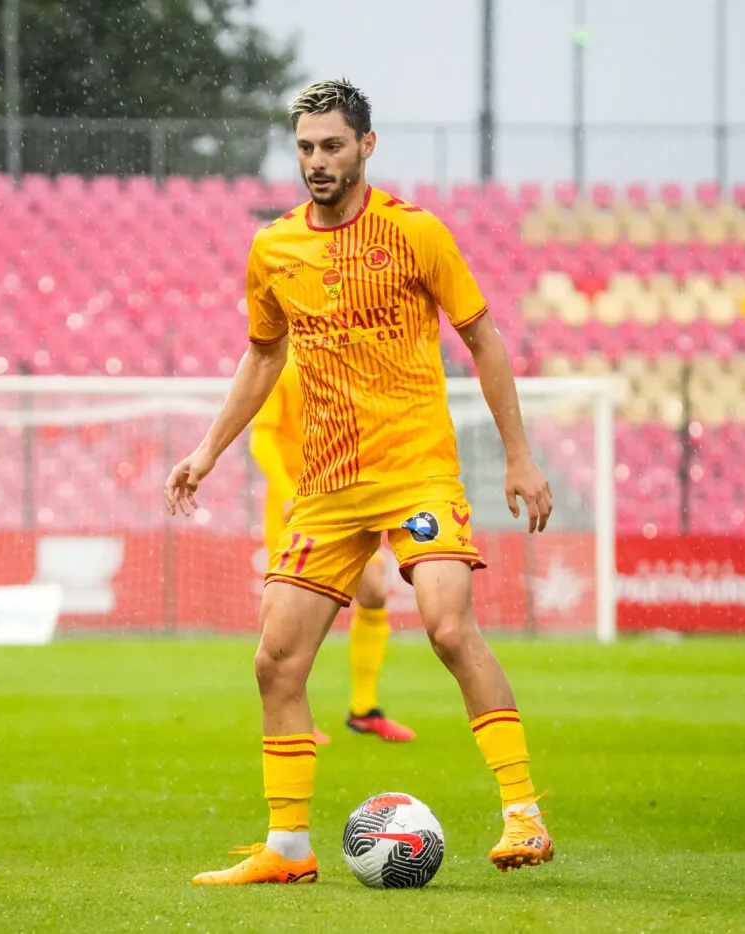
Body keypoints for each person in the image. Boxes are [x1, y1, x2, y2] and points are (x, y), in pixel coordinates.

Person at [164, 78, 556, 884]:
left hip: (416, 474)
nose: (316, 161)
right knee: (275, 661)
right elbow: (264, 356)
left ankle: (524, 813)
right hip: (329, 487)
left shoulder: (415, 233)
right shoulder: (274, 248)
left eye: (332, 146)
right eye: (306, 147)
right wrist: (207, 450)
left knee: (448, 626)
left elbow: (482, 340)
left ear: (366, 147)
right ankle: (288, 848)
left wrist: (519, 455)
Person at [250, 351, 416, 745]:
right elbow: (262, 440)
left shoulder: (346, 363)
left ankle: (364, 709)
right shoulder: (284, 368)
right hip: (296, 512)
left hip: (341, 503)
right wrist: (290, 494)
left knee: (374, 588)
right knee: (296, 615)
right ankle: (291, 713)